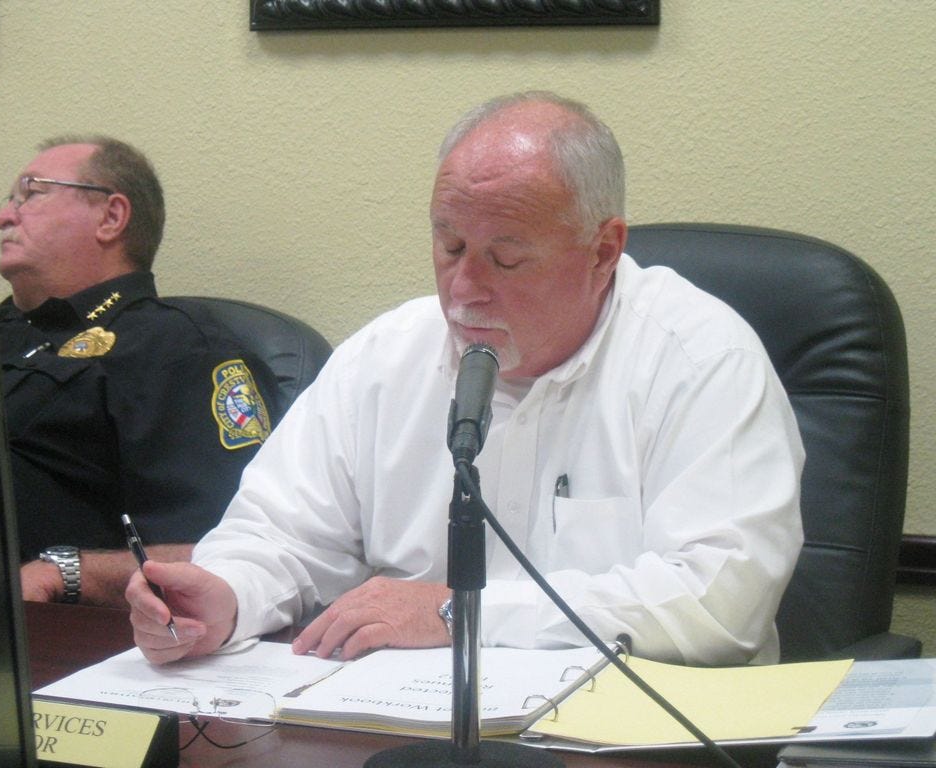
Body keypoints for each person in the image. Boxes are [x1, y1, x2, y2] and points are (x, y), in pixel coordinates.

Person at [128, 92, 805, 667]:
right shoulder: (389, 355)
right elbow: (281, 533)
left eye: (505, 259)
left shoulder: (700, 360)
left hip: (637, 743)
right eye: (449, 247)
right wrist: (225, 592)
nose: (463, 290)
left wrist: (462, 615)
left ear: (603, 250)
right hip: (402, 727)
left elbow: (720, 601)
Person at [0, 136, 283, 607]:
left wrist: (66, 572)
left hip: (57, 634)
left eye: (32, 193)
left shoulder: (181, 352)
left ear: (111, 218)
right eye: (10, 199)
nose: (4, 216)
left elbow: (237, 555)